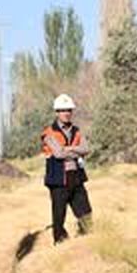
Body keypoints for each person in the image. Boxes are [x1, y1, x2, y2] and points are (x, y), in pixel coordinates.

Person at [41, 94, 93, 244]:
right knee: (59, 216)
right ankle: (60, 243)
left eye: (69, 110)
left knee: (86, 213)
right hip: (58, 180)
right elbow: (58, 154)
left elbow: (86, 149)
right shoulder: (49, 132)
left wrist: (68, 149)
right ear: (56, 112)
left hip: (76, 178)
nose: (66, 113)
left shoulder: (76, 130)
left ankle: (86, 241)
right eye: (63, 110)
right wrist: (75, 150)